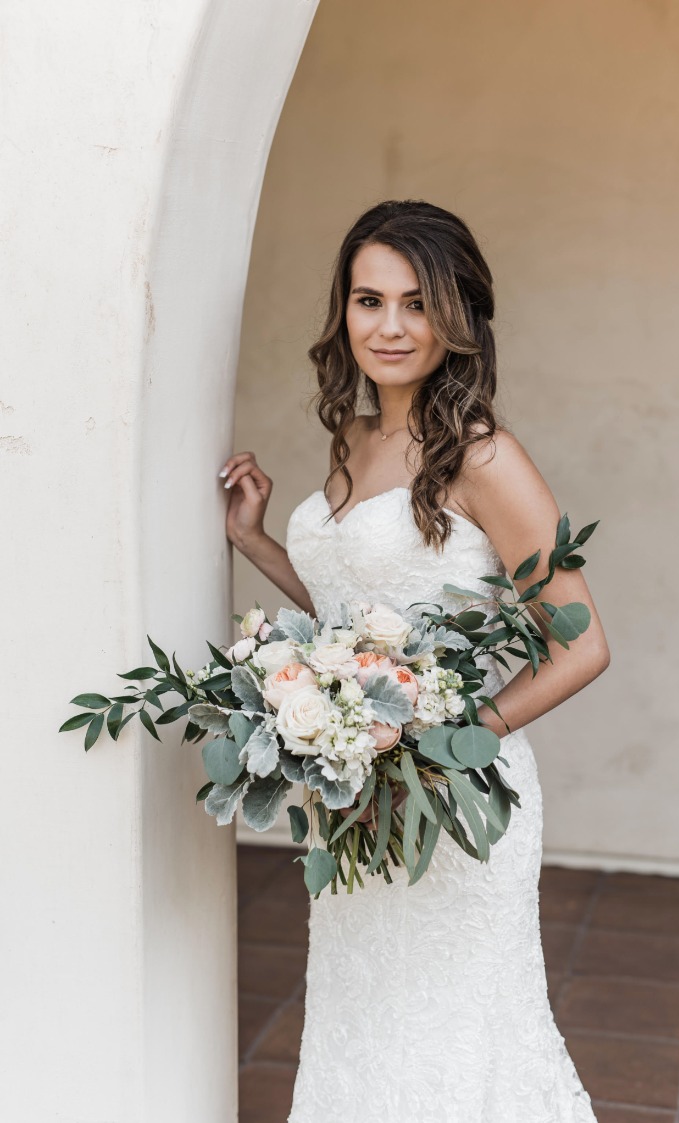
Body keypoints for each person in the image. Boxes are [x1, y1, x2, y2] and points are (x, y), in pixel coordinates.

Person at [220, 200, 610, 1122]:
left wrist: (457, 737)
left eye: (415, 303)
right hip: (358, 802)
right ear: (343, 312)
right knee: (367, 1029)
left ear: (457, 317)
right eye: (367, 300)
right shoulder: (350, 440)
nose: (389, 326)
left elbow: (583, 640)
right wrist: (258, 541)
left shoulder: (486, 458)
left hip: (460, 800)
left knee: (459, 1040)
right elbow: (360, 621)